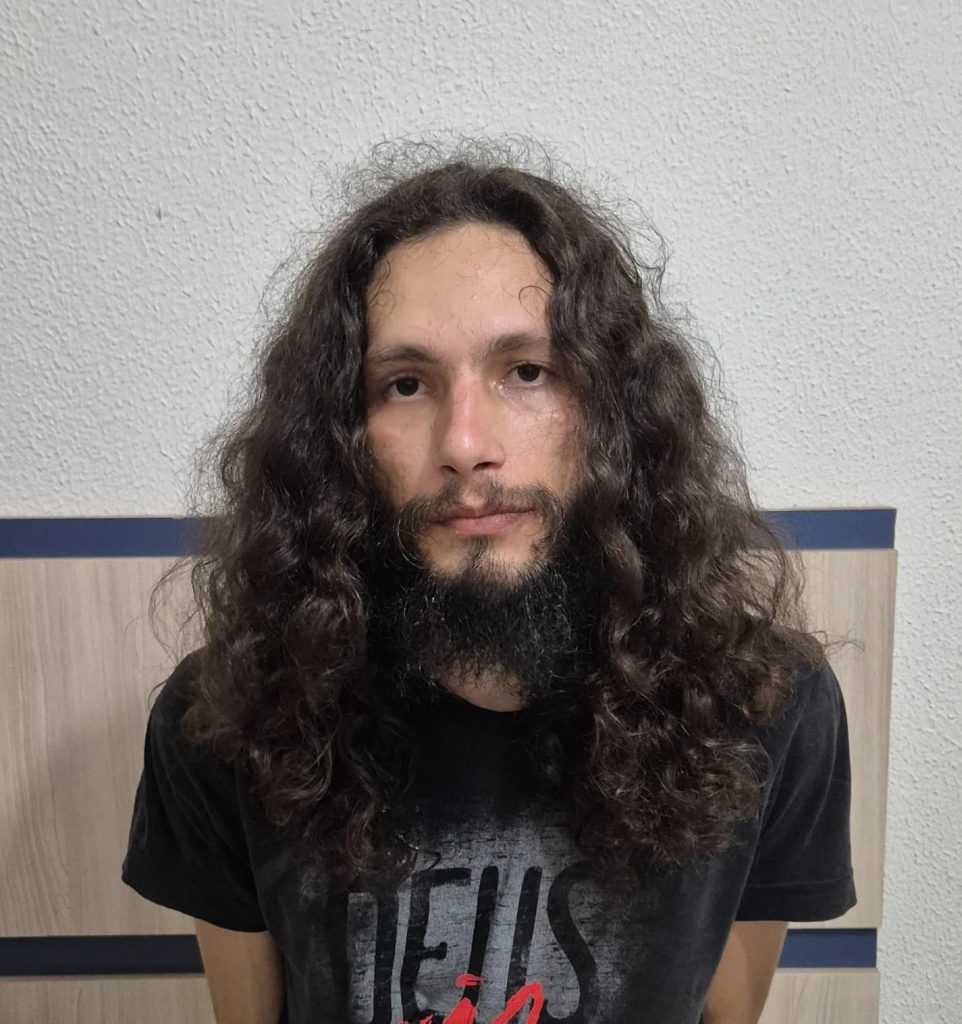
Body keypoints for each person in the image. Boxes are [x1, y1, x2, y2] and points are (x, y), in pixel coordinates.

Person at [122, 138, 856, 1024]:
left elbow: (726, 1011)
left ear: (614, 411)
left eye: (528, 372)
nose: (466, 443)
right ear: (339, 440)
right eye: (404, 384)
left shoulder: (766, 704)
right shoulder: (233, 715)